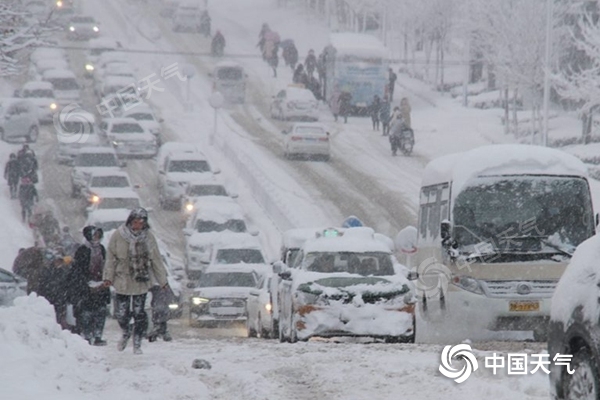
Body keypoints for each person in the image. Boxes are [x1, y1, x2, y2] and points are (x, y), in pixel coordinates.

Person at [103, 208, 169, 355]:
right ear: (130, 222)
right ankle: (126, 331)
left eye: (141, 222)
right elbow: (111, 258)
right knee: (122, 313)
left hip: (141, 280)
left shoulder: (148, 238)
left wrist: (162, 281)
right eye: (135, 222)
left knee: (139, 313)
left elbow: (156, 260)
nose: (138, 225)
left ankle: (137, 341)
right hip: (122, 280)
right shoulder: (118, 235)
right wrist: (108, 277)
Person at [69, 226, 110, 345]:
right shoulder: (82, 250)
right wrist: (86, 284)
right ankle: (87, 335)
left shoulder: (101, 249)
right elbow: (78, 270)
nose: (97, 238)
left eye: (98, 235)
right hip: (86, 287)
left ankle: (98, 336)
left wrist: (104, 280)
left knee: (101, 312)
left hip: (101, 286)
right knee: (86, 313)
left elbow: (106, 265)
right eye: (94, 235)